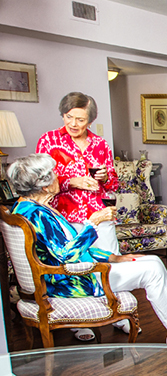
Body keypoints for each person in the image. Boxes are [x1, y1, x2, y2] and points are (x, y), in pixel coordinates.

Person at [7, 154, 167, 348]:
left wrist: (114, 257)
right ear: (44, 184)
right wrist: (94, 222)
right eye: (54, 173)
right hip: (72, 281)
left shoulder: (29, 208)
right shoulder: (36, 214)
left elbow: (67, 250)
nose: (58, 176)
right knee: (153, 270)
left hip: (73, 273)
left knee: (153, 261)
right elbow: (68, 255)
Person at [36, 92, 120, 255]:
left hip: (99, 214)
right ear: (63, 115)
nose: (73, 124)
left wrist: (106, 177)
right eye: (69, 117)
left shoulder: (100, 144)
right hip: (64, 217)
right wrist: (71, 182)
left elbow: (114, 185)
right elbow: (39, 183)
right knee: (78, 265)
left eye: (80, 120)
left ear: (90, 121)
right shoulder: (49, 141)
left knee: (111, 262)